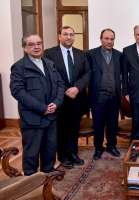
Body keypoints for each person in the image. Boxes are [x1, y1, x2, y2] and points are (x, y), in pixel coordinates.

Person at [10, 34, 64, 175]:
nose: (36, 46)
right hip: (32, 119)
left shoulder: (49, 63)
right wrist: (42, 108)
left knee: (50, 149)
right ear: (24, 48)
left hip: (51, 116)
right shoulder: (19, 67)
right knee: (31, 154)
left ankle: (48, 174)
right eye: (32, 44)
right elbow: (18, 91)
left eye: (39, 43)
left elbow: (60, 85)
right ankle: (31, 183)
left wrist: (56, 103)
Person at [44, 26, 90, 168]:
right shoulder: (49, 53)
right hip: (59, 98)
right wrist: (65, 90)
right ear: (59, 36)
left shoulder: (81, 54)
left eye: (71, 34)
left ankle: (73, 153)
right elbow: (50, 75)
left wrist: (77, 87)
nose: (69, 37)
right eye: (65, 34)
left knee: (74, 126)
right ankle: (63, 155)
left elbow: (87, 73)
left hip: (77, 98)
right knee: (61, 128)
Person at [87, 28, 122, 160]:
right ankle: (98, 148)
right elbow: (87, 74)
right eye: (106, 38)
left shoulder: (119, 55)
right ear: (101, 39)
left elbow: (123, 75)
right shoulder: (90, 54)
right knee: (98, 124)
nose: (109, 41)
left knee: (113, 123)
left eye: (111, 39)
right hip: (97, 97)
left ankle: (112, 146)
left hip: (114, 96)